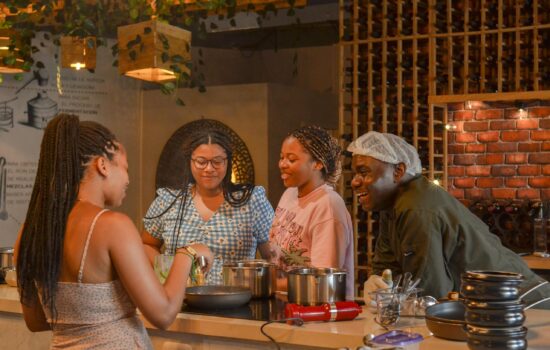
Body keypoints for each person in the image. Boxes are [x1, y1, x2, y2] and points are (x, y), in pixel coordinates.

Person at [15, 114, 213, 348]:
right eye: (125, 168)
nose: (128, 179)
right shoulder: (112, 225)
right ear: (103, 165)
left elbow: (36, 321)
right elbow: (163, 314)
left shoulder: (31, 230)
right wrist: (187, 253)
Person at [348, 131, 550, 307]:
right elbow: (386, 269)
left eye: (364, 172)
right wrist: (376, 282)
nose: (354, 182)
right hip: (502, 305)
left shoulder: (416, 209)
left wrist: (391, 297)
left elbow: (431, 295)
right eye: (355, 173)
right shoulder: (392, 206)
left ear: (398, 171)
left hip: (524, 305)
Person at [142, 128, 274, 285]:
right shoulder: (169, 200)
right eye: (201, 161)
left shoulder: (251, 200)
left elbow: (271, 256)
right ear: (190, 162)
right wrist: (168, 273)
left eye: (217, 161)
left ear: (228, 162)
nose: (209, 168)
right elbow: (147, 244)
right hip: (180, 302)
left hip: (235, 301)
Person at [269, 125, 355, 299]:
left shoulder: (328, 205)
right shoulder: (290, 193)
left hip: (317, 313)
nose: (282, 164)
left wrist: (267, 284)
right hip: (287, 305)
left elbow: (321, 279)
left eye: (291, 159)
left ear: (318, 163)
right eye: (281, 158)